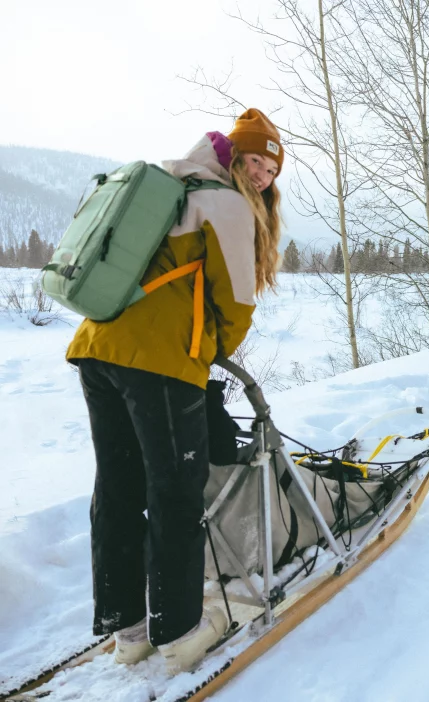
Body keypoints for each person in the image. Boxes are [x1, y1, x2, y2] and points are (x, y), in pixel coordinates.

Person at [66, 108, 283, 675]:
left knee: (117, 486)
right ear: (233, 155)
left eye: (270, 169)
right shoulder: (226, 202)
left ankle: (127, 628)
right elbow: (235, 301)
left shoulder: (168, 180)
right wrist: (210, 351)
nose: (261, 175)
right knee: (174, 491)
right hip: (159, 362)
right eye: (255, 160)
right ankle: (180, 633)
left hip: (97, 346)